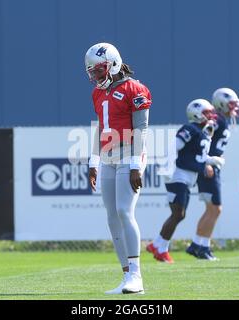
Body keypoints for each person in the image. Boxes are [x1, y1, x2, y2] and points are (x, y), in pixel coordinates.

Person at [85, 42, 151, 294]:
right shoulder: (97, 93)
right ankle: (126, 276)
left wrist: (135, 164)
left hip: (129, 153)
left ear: (112, 64)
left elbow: (141, 129)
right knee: (112, 216)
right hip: (108, 155)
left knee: (125, 211)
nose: (95, 76)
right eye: (92, 71)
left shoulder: (135, 88)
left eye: (99, 70)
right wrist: (93, 161)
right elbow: (100, 127)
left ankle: (137, 276)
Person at [146, 99, 221, 263]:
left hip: (186, 178)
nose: (211, 116)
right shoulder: (190, 129)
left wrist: (210, 160)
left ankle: (157, 245)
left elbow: (195, 156)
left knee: (179, 214)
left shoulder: (202, 132)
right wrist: (167, 166)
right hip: (177, 175)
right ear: (197, 113)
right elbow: (174, 148)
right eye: (207, 112)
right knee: (178, 214)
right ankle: (161, 248)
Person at [185, 88, 239, 260]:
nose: (234, 108)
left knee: (212, 209)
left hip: (211, 166)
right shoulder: (215, 121)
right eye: (231, 104)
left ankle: (198, 244)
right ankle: (201, 246)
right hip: (209, 167)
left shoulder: (221, 120)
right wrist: (207, 160)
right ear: (221, 103)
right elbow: (201, 140)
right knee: (215, 208)